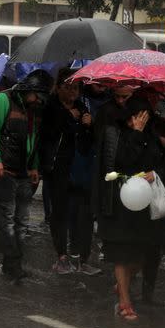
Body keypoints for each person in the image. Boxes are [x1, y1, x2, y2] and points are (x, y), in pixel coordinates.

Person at [97, 96, 165, 321]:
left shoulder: (153, 138)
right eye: (138, 116)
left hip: (145, 207)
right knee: (122, 255)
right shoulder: (115, 135)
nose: (142, 121)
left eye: (146, 116)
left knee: (141, 256)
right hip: (120, 205)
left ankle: (122, 284)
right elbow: (121, 163)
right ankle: (124, 301)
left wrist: (154, 174)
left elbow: (162, 165)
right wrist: (136, 134)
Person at [0, 69, 53, 282]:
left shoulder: (35, 109)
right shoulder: (2, 100)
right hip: (4, 170)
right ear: (29, 90)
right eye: (38, 95)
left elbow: (33, 138)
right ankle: (13, 264)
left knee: (21, 222)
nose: (39, 100)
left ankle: (12, 264)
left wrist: (34, 166)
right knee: (6, 220)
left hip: (24, 173)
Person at [39, 68, 99, 276]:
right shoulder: (50, 107)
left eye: (76, 88)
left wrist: (89, 125)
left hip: (81, 169)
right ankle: (61, 256)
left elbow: (89, 138)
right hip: (59, 169)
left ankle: (83, 257)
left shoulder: (83, 108)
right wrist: (68, 117)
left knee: (84, 215)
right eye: (68, 87)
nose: (73, 92)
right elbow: (49, 133)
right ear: (58, 87)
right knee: (60, 214)